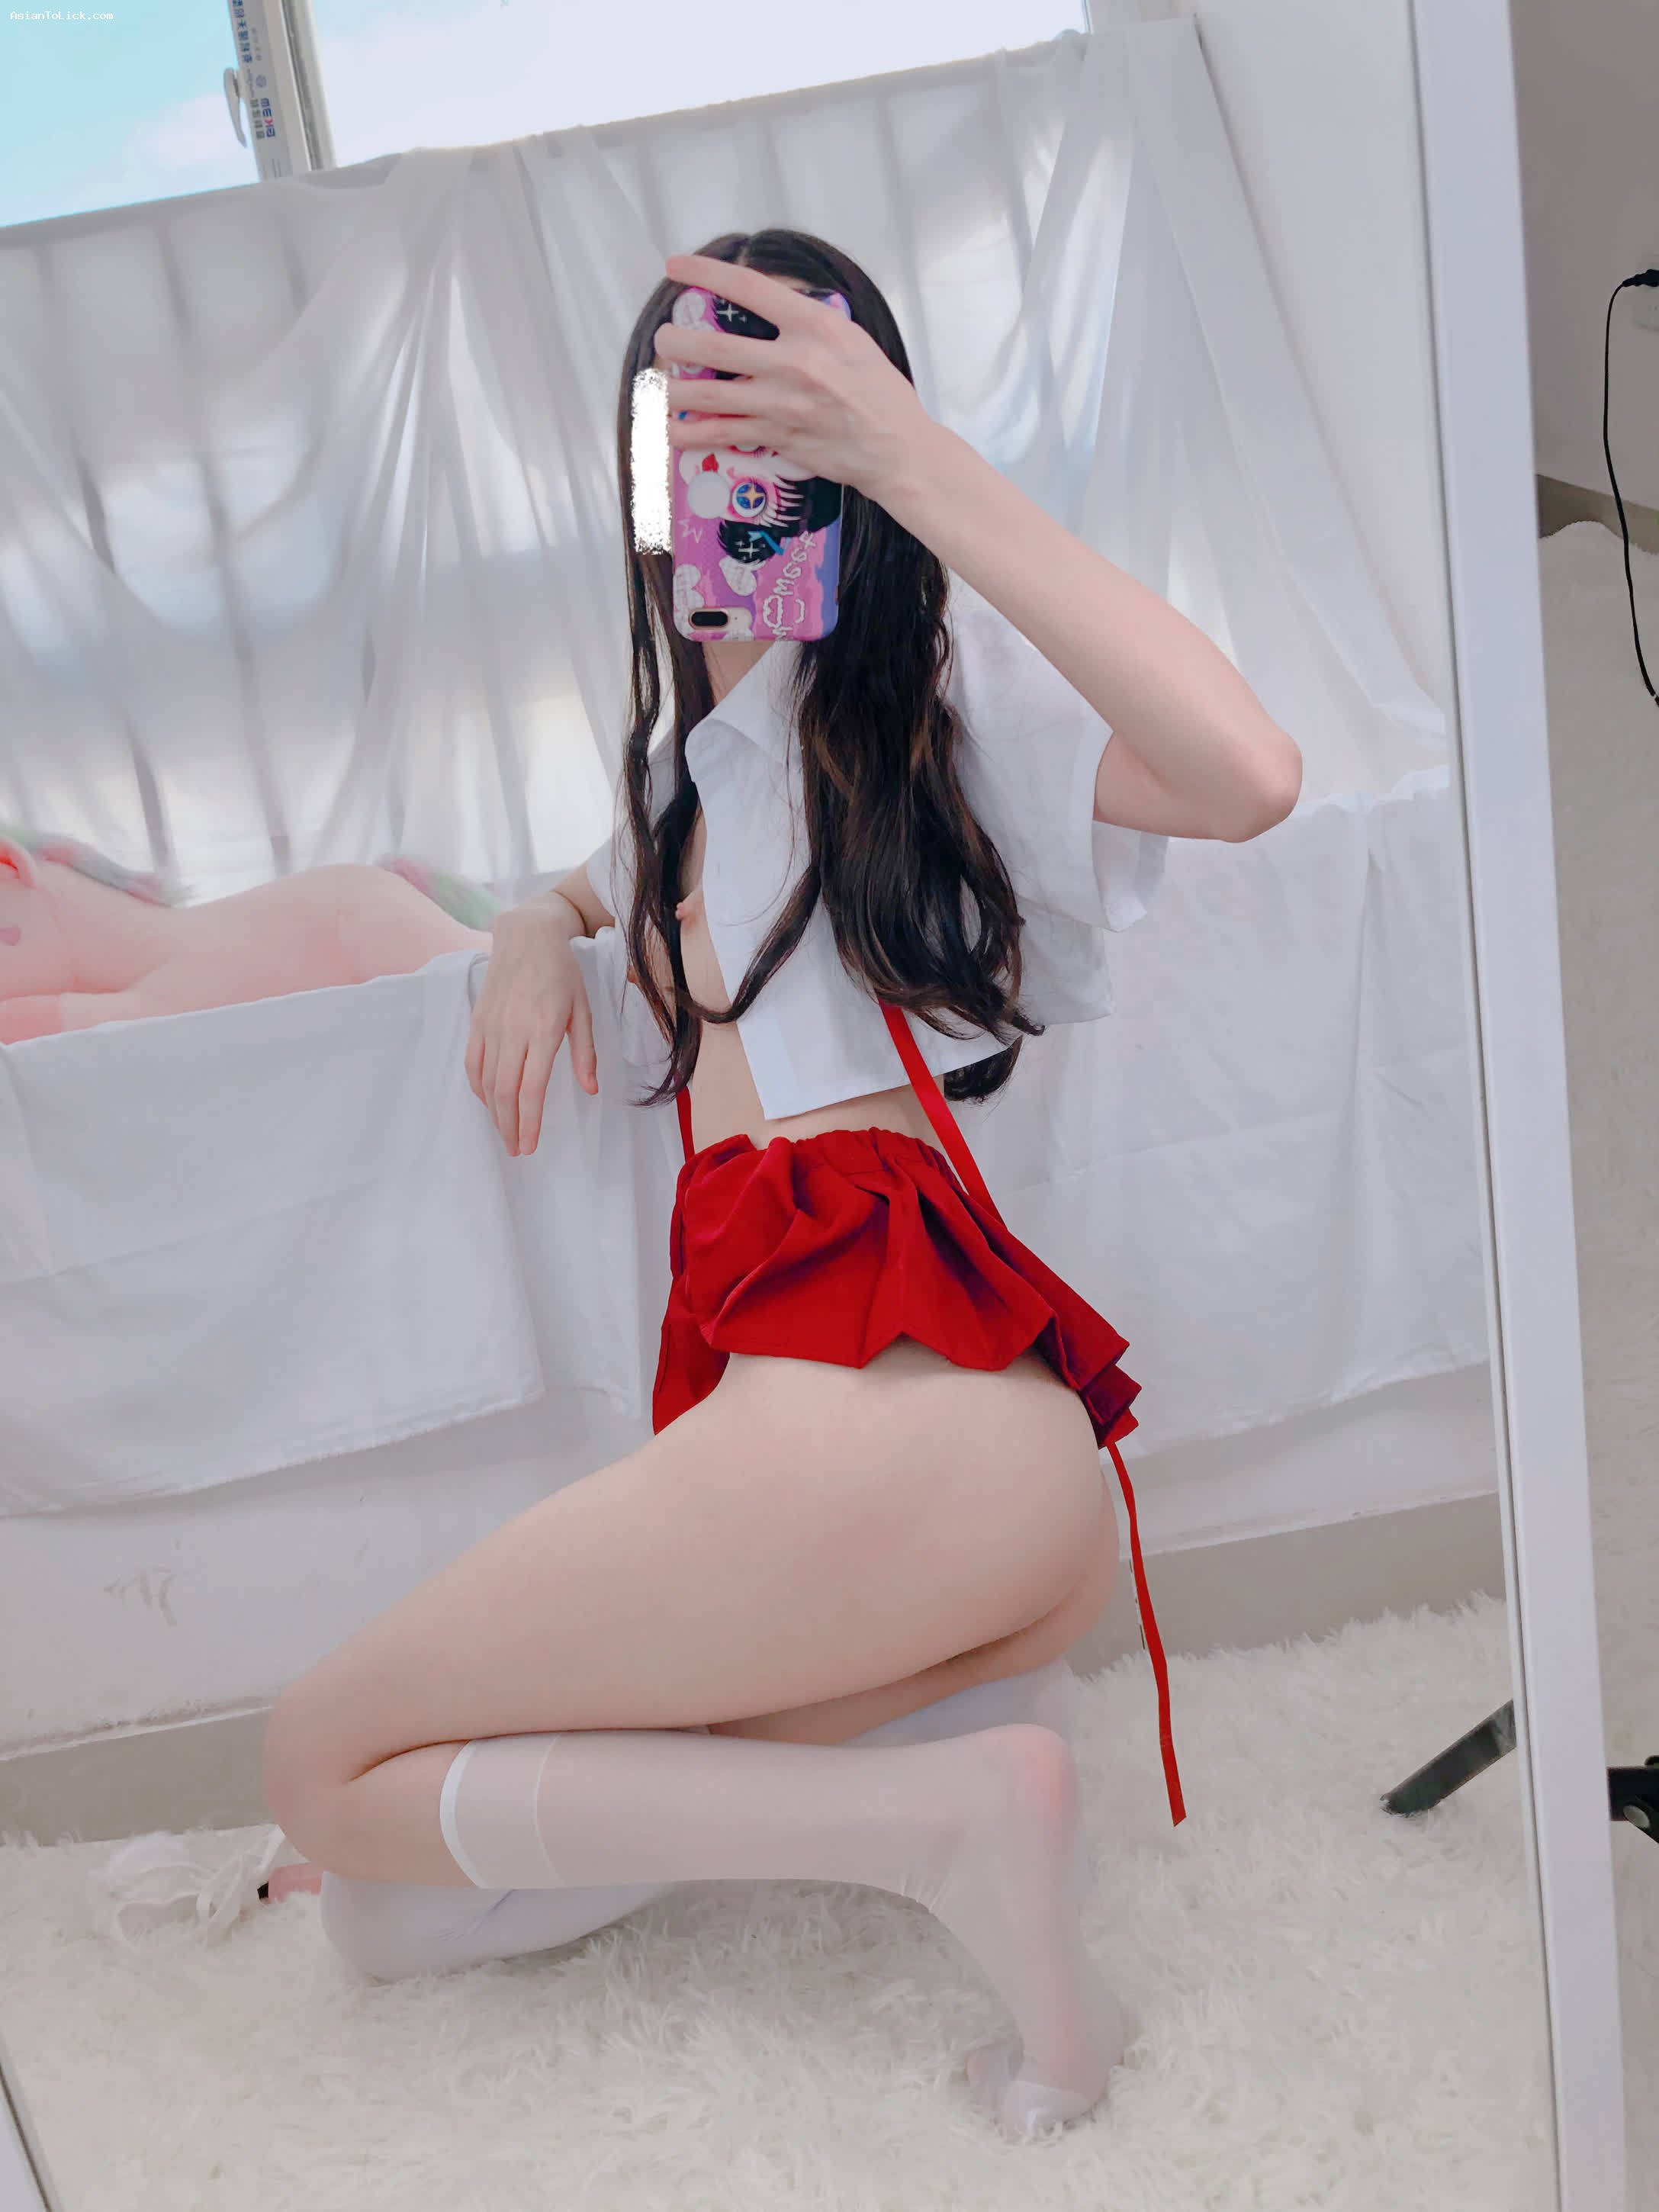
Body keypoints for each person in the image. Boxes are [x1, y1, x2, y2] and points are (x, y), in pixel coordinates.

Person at [261, 230, 1301, 2141]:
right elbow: (592, 876)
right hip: (944, 1485)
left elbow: (1243, 771)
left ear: (849, 437)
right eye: (687, 415)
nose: (719, 464)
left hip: (876, 1417)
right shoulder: (695, 777)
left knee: (316, 1763)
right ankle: (970, 1755)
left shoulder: (924, 711)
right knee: (386, 1911)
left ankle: (938, 1818)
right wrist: (530, 930)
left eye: (771, 411)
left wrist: (909, 456)